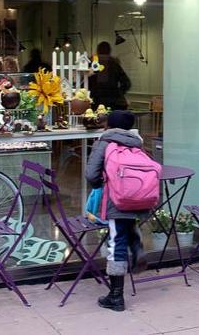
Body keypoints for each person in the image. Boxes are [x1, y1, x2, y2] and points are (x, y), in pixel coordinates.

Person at [85, 110, 146, 312]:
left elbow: (91, 174)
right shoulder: (136, 142)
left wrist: (100, 184)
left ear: (109, 124)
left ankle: (116, 296)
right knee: (126, 226)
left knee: (116, 242)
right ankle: (135, 242)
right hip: (137, 197)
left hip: (115, 199)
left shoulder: (105, 142)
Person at [88, 41, 131, 110]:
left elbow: (84, 82)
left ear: (98, 50)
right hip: (113, 102)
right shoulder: (114, 63)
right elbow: (126, 83)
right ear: (109, 50)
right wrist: (118, 93)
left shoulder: (92, 62)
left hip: (95, 100)